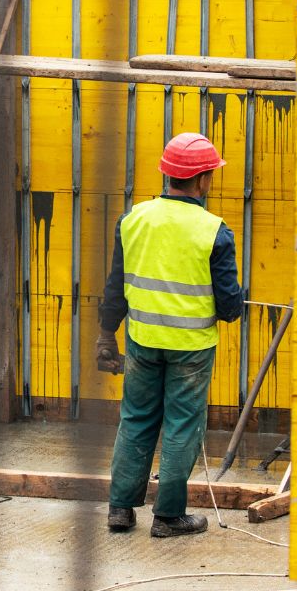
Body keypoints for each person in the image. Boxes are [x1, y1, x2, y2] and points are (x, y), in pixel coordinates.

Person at [94, 132, 245, 538]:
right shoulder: (214, 230)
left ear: (167, 175)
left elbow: (115, 287)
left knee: (136, 419)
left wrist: (107, 336)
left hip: (143, 342)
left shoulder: (134, 220)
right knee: (181, 426)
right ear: (203, 180)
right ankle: (168, 517)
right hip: (191, 350)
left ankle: (121, 510)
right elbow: (230, 308)